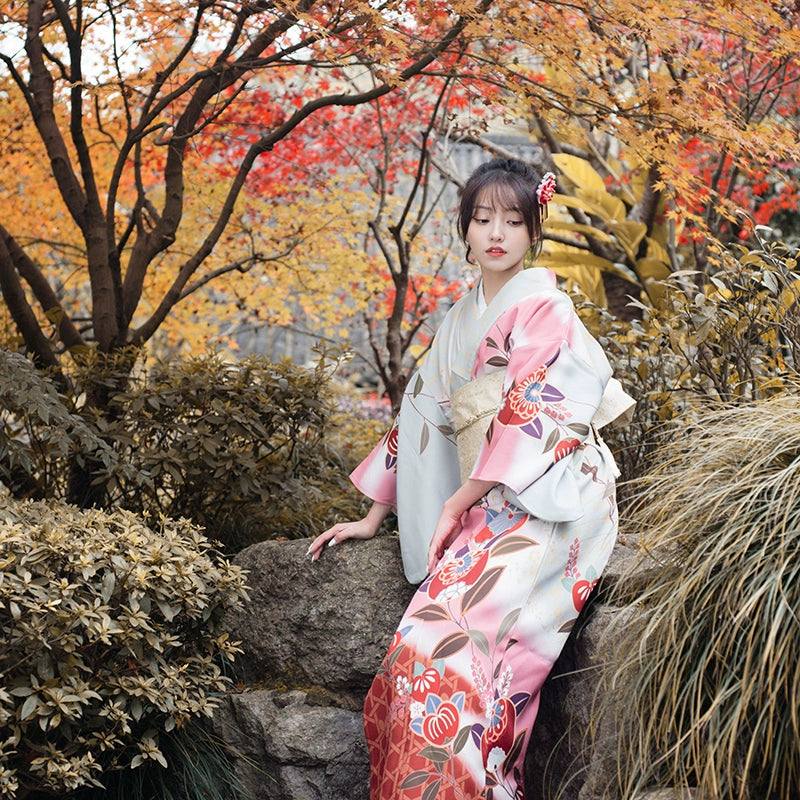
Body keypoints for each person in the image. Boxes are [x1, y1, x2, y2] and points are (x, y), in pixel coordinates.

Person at [307, 158, 632, 800]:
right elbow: (423, 408)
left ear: (534, 231)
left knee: (459, 647)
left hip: (557, 493)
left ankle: (477, 782)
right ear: (465, 227)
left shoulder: (545, 307)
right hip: (494, 494)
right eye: (483, 218)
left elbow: (534, 412)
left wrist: (462, 497)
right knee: (418, 646)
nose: (497, 233)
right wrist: (376, 512)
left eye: (514, 220)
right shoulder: (460, 318)